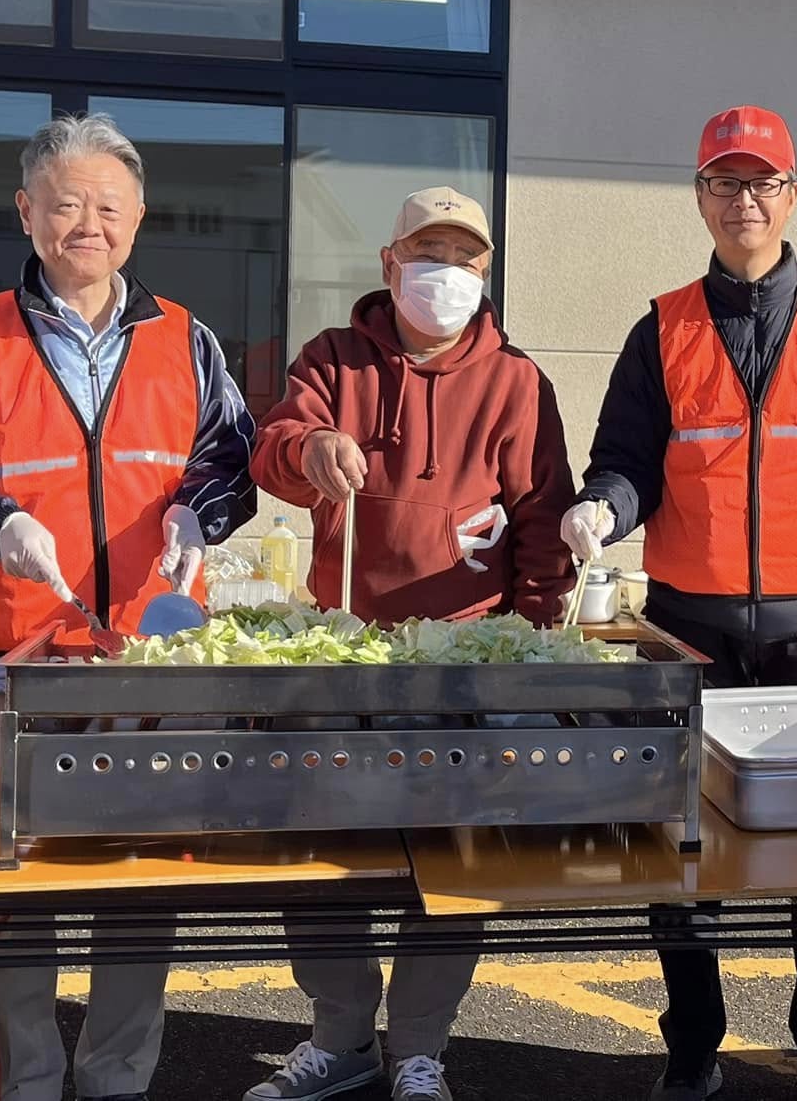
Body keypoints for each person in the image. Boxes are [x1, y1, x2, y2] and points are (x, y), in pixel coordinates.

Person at [0, 111, 255, 1101]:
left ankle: (117, 1082)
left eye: (107, 206)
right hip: (9, 664)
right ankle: (24, 1086)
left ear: (137, 219)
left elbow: (232, 464)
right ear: (26, 212)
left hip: (157, 663)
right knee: (11, 899)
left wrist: (196, 511)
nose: (85, 224)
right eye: (64, 204)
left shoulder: (189, 339)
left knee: (141, 894)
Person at [559, 104, 797, 1101]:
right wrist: (600, 509)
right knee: (685, 850)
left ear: (790, 196)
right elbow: (626, 463)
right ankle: (693, 1042)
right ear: (699, 197)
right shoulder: (663, 327)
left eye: (761, 182)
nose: (743, 200)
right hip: (691, 629)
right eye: (724, 182)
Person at [244, 185, 575, 1101]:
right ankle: (341, 1038)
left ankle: (419, 1047)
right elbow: (271, 443)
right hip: (342, 655)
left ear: (486, 274)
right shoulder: (335, 359)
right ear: (390, 264)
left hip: (464, 663)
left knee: (451, 863)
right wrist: (308, 449)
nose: (449, 274)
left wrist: (536, 639)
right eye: (429, 253)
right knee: (324, 864)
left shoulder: (517, 382)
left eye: (466, 258)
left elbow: (544, 517)